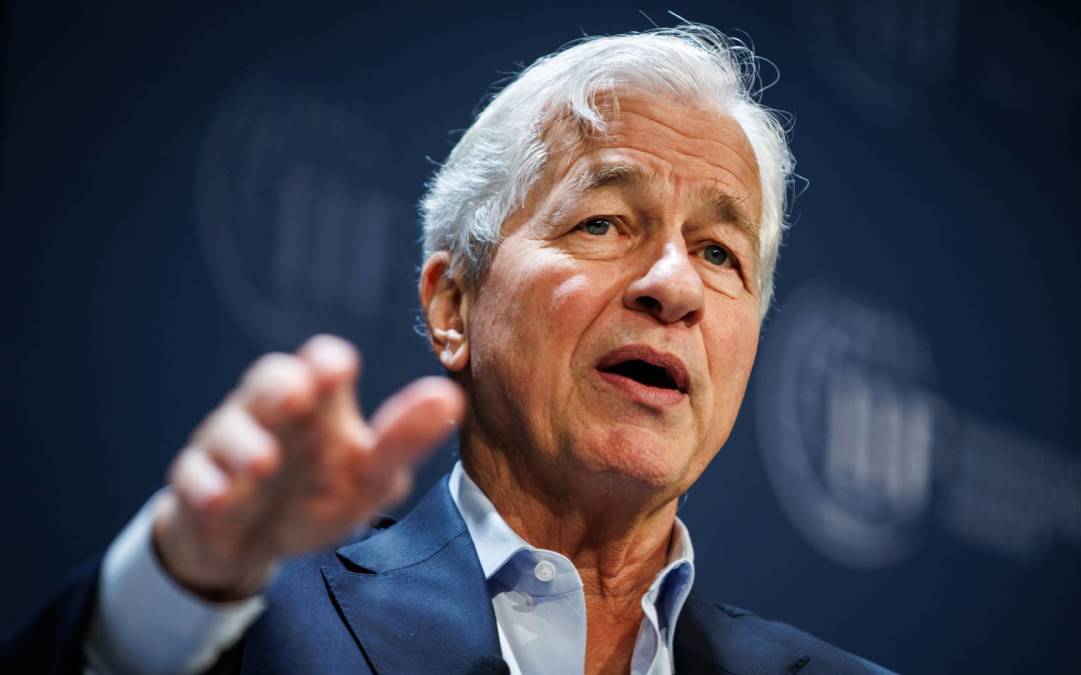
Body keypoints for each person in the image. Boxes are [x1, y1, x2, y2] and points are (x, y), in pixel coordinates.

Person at [2, 25, 894, 675]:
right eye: (602, 222)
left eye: (720, 253)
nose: (675, 285)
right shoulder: (248, 618)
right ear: (453, 305)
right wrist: (174, 588)